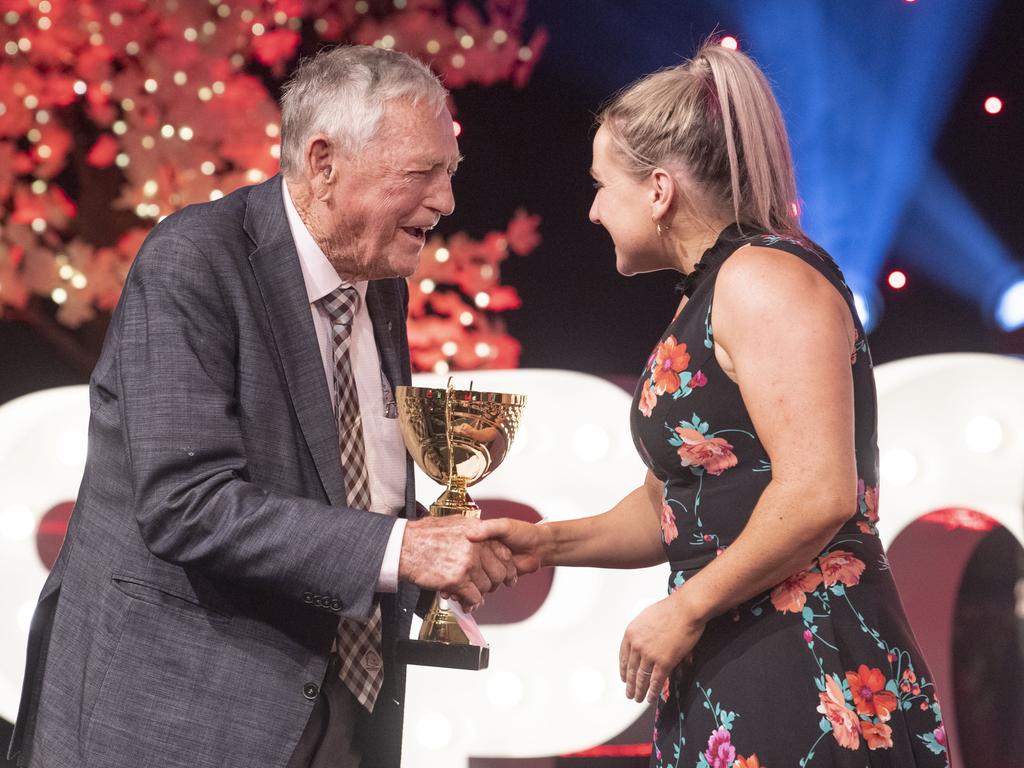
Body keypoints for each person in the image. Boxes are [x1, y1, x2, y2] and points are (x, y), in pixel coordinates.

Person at [8, 46, 517, 768]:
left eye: (450, 173)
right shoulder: (195, 260)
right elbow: (186, 503)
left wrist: (433, 548)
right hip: (181, 715)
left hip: (344, 710)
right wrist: (402, 550)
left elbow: (344, 484)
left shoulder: (383, 284)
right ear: (323, 162)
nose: (446, 201)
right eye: (420, 174)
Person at [476, 40, 949, 766]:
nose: (595, 211)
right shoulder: (708, 292)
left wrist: (687, 606)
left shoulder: (760, 279)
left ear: (660, 190)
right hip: (739, 649)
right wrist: (545, 545)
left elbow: (820, 491)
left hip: (807, 659)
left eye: (602, 185)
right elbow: (678, 506)